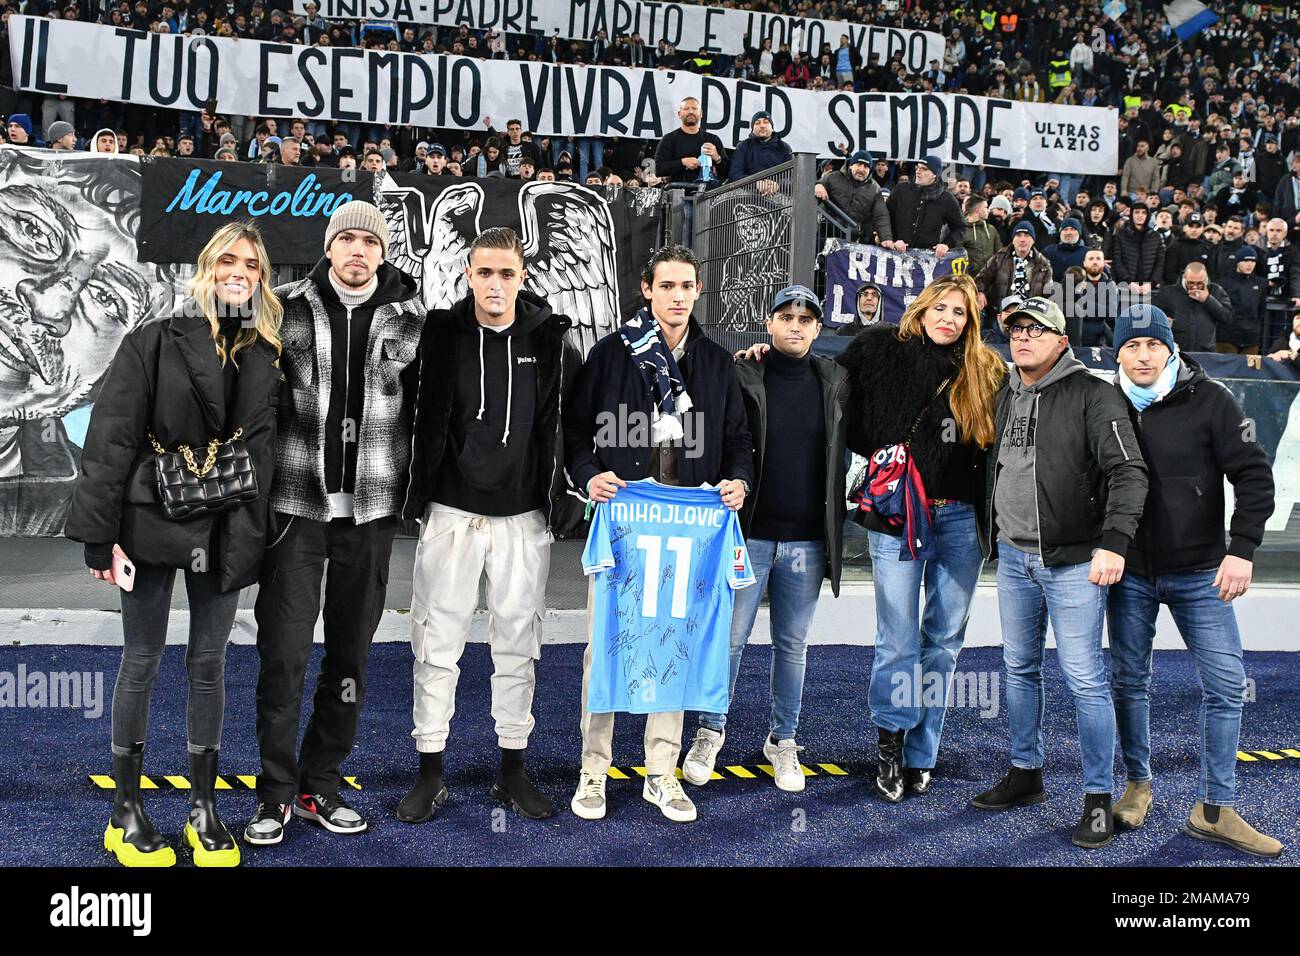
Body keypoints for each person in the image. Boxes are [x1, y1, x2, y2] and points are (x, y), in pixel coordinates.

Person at [65, 222, 285, 867]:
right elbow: (109, 440)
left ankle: (203, 808)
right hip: (149, 523)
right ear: (206, 271)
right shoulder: (154, 341)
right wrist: (98, 541)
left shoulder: (268, 355)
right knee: (143, 659)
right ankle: (126, 810)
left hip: (226, 531)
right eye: (227, 262)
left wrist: (257, 541)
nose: (238, 273)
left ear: (262, 279)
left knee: (210, 664)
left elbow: (266, 459)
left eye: (251, 265)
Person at [245, 201, 426, 846]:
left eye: (368, 242)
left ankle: (322, 785)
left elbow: (431, 406)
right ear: (329, 246)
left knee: (350, 655)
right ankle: (274, 795)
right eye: (345, 238)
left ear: (382, 252)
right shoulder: (285, 307)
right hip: (296, 509)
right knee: (285, 655)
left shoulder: (412, 318)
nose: (357, 250)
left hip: (370, 514)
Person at [395, 228, 583, 823]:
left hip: (524, 518)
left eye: (506, 273)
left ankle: (512, 769)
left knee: (518, 644)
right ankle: (430, 771)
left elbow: (574, 424)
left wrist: (567, 491)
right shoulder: (441, 335)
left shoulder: (553, 343)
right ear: (468, 276)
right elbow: (402, 405)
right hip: (451, 511)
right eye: (484, 273)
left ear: (522, 276)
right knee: (436, 642)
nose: (495, 284)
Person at [564, 245, 753, 823]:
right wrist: (590, 473)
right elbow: (573, 432)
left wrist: (739, 482)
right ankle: (593, 769)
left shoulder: (718, 363)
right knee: (606, 650)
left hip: (690, 530)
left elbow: (740, 441)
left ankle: (661, 773)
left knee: (672, 648)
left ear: (698, 292)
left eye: (687, 286)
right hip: (625, 526)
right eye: (666, 285)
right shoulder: (611, 353)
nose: (677, 295)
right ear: (646, 289)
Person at [972, 296, 1148, 850]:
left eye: (1036, 329)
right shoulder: (1005, 391)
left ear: (1061, 340)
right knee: (1019, 667)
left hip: (1073, 562)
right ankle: (1026, 772)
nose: (1023, 337)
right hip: (1015, 558)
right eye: (1016, 329)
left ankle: (1098, 798)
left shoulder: (1094, 394)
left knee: (1084, 678)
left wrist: (1113, 544)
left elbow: (1129, 471)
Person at [1105, 305, 1281, 858]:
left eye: (1152, 345)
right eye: (1131, 346)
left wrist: (1242, 550)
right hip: (1128, 572)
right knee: (1129, 682)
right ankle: (1138, 784)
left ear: (1170, 349)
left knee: (1227, 685)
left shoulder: (1212, 401)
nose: (1142, 355)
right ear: (1117, 353)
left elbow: (1254, 475)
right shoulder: (1103, 404)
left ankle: (1214, 808)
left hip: (1202, 571)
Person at [837, 274, 1006, 801]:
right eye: (942, 308)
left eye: (960, 313)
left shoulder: (987, 370)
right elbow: (825, 388)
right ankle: (889, 739)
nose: (949, 320)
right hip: (898, 514)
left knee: (944, 642)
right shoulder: (880, 350)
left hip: (961, 520)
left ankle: (920, 751)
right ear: (923, 306)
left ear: (971, 323)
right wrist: (762, 357)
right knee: (898, 638)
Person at [681, 286, 850, 792]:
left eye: (805, 319)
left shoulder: (837, 380)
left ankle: (783, 739)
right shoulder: (742, 372)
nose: (795, 326)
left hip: (807, 541)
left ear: (818, 329)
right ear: (768, 323)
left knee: (792, 647)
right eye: (786, 317)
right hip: (748, 535)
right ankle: (710, 731)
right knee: (728, 642)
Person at [888, 155, 965, 257]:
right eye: (917, 167)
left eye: (924, 169)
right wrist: (891, 239)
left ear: (935, 174)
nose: (918, 171)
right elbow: (886, 217)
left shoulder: (946, 199)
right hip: (895, 253)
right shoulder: (901, 190)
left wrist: (946, 244)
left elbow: (960, 227)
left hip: (926, 260)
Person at [815, 150, 893, 246]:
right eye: (859, 164)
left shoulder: (875, 189)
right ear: (851, 165)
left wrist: (886, 238)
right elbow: (817, 186)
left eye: (866, 166)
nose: (861, 169)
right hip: (826, 234)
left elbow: (881, 216)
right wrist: (818, 185)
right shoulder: (833, 177)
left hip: (853, 240)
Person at [975, 222, 1053, 315]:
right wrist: (980, 292)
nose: (1022, 239)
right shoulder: (999, 258)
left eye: (1027, 236)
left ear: (1033, 240)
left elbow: (1049, 294)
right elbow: (982, 278)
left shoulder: (1043, 264)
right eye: (1018, 235)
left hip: (1030, 316)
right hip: (1001, 313)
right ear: (1013, 240)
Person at [1153, 262, 1232, 353]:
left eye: (1199, 283)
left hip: (1206, 351)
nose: (1195, 286)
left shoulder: (1216, 291)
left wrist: (1207, 300)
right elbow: (1149, 315)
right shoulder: (1169, 292)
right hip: (1177, 351)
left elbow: (1227, 318)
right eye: (1191, 283)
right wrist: (1162, 320)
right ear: (1184, 278)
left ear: (1205, 280)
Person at [653, 97, 727, 187]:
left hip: (708, 195)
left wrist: (717, 158)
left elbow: (727, 171)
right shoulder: (669, 139)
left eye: (694, 108)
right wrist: (682, 162)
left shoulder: (713, 139)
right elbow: (659, 169)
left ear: (701, 113)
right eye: (686, 109)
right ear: (679, 114)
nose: (690, 111)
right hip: (678, 196)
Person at [1216, 246, 1268, 354]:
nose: (1249, 264)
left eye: (1253, 261)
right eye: (1245, 260)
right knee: (1226, 370)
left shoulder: (1261, 283)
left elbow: (1261, 309)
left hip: (1251, 337)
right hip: (1227, 337)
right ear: (1237, 261)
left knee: (1249, 370)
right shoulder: (1223, 283)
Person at [1107, 204, 1165, 294]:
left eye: (1143, 213)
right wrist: (1128, 282)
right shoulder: (1120, 235)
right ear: (1131, 215)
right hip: (1126, 287)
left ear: (1148, 215)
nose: (1140, 215)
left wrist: (1151, 283)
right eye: (1137, 212)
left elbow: (1160, 262)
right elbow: (1117, 261)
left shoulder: (1155, 236)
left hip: (1149, 289)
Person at [728, 110, 792, 183]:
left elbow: (791, 177)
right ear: (752, 129)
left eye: (766, 122)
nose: (762, 126)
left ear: (772, 128)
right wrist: (756, 183)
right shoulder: (743, 146)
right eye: (757, 123)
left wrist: (777, 185)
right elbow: (735, 175)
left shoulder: (784, 148)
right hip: (747, 190)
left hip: (778, 192)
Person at [963, 195, 1002, 277]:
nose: (988, 210)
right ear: (978, 210)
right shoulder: (961, 231)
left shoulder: (991, 229)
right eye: (985, 207)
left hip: (990, 278)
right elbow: (959, 255)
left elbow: (999, 252)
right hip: (969, 279)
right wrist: (973, 268)